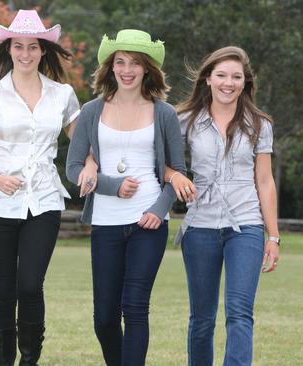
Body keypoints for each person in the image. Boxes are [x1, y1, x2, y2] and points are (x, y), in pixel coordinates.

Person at [0, 10, 80, 366]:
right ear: (8, 49)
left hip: (43, 203)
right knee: (2, 292)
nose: (25, 53)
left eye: (32, 47)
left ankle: (29, 361)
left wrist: (89, 163)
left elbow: (84, 142)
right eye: (18, 46)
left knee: (30, 286)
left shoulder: (64, 95)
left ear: (43, 50)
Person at [65, 29, 186, 365]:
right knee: (104, 317)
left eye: (135, 62)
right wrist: (110, 185)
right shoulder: (91, 110)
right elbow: (73, 168)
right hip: (105, 222)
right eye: (120, 62)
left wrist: (159, 209)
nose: (127, 69)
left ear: (147, 68)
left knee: (134, 306)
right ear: (111, 67)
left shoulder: (164, 114)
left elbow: (178, 171)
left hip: (148, 221)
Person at [166, 46, 280, 366]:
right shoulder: (184, 120)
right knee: (201, 318)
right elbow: (161, 164)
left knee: (240, 314)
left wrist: (273, 236)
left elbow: (265, 181)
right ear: (207, 79)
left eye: (236, 77)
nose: (228, 82)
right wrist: (175, 176)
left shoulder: (260, 124)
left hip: (246, 227)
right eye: (221, 75)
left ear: (244, 83)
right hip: (200, 226)